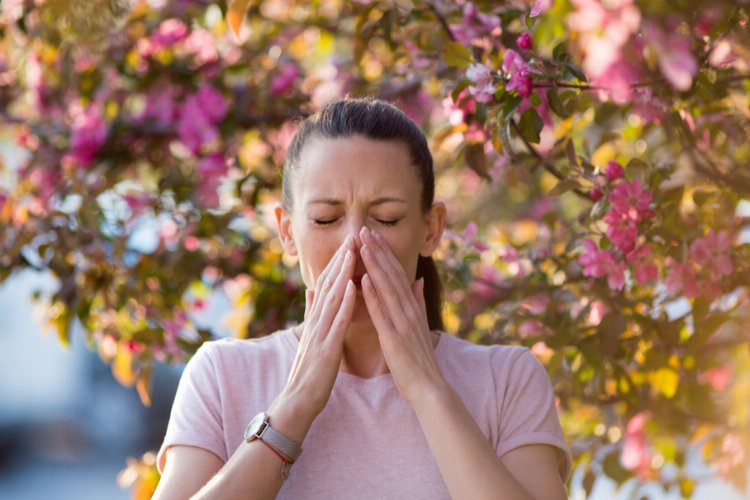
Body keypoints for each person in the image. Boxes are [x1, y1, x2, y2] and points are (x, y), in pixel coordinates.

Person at [153, 97, 572, 500]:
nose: (354, 241)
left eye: (386, 218)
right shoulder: (222, 376)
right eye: (325, 219)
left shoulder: (508, 381)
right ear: (286, 231)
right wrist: (295, 405)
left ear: (430, 228)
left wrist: (427, 389)